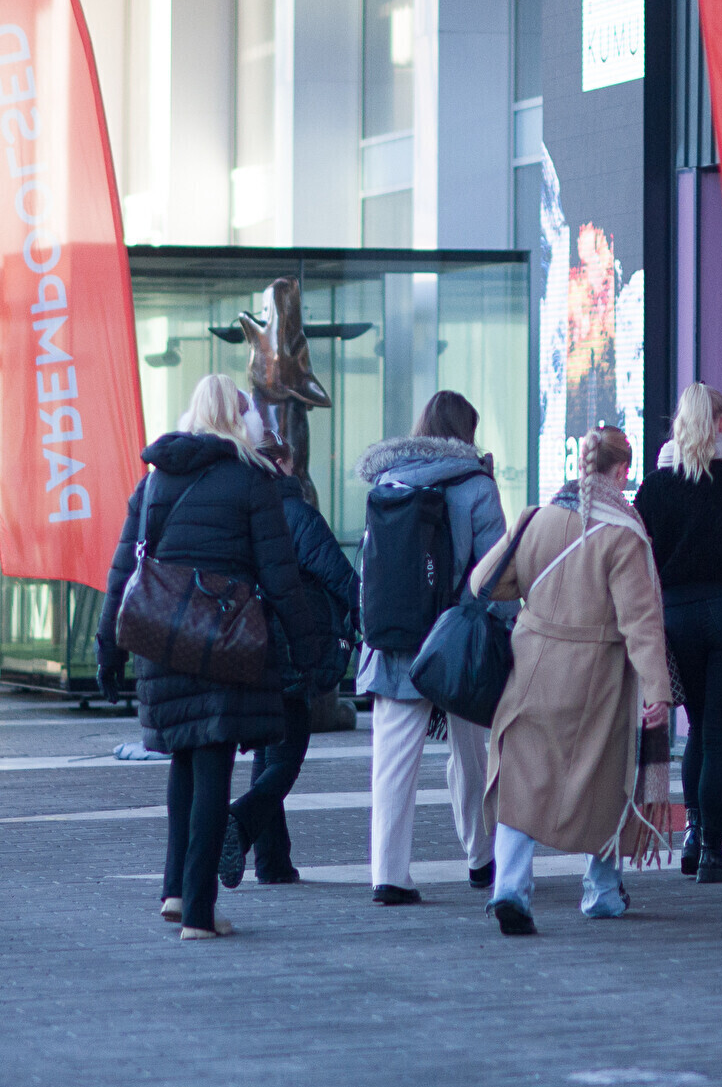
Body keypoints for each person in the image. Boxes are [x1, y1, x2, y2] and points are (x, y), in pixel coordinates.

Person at [97, 375, 327, 940]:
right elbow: (280, 576)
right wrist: (310, 649)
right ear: (240, 419)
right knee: (213, 770)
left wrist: (108, 649)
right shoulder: (252, 481)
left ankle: (176, 891)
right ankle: (199, 913)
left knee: (183, 760)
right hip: (223, 640)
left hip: (161, 641)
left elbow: (123, 569)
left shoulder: (153, 481)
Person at [477, 423, 675, 936]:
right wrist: (658, 692)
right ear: (622, 472)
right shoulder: (624, 535)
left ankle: (510, 889)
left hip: (531, 668)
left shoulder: (537, 518)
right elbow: (640, 625)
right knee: (603, 781)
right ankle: (602, 892)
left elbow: (484, 582)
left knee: (521, 781)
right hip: (597, 681)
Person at [352, 391, 508, 905]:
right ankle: (481, 859)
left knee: (392, 762)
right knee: (472, 756)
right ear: (466, 432)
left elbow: (370, 568)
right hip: (459, 642)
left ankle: (388, 875)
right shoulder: (476, 485)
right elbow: (495, 572)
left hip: (394, 638)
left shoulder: (387, 481)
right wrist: (506, 628)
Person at [222, 429, 359, 890]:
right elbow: (340, 577)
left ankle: (273, 862)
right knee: (287, 755)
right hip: (286, 648)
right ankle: (239, 824)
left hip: (245, 648)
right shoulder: (296, 513)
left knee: (267, 752)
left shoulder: (238, 513)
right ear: (283, 464)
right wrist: (369, 618)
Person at [635, 384, 722, 882]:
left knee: (695, 730)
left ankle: (691, 836)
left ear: (678, 424)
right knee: (720, 737)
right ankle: (713, 851)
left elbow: (637, 556)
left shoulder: (654, 488)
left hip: (676, 619)